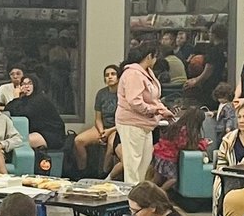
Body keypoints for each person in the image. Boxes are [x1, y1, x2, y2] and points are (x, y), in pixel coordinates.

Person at [116, 43, 173, 184]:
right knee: (133, 164)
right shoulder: (133, 73)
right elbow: (134, 101)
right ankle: (130, 200)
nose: (156, 60)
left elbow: (154, 98)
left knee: (144, 161)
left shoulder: (147, 72)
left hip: (146, 124)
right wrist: (155, 110)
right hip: (131, 123)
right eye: (155, 57)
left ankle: (138, 195)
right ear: (149, 56)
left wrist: (163, 110)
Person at [73, 64, 121, 174]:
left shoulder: (123, 94)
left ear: (118, 77)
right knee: (78, 140)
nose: (109, 77)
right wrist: (101, 132)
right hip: (101, 127)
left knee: (110, 146)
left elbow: (123, 121)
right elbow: (98, 118)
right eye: (107, 75)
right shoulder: (101, 93)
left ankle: (103, 174)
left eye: (113, 74)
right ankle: (82, 171)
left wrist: (109, 131)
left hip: (116, 128)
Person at [150, 107, 208, 192]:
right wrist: (202, 144)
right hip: (168, 157)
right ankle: (160, 193)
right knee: (173, 179)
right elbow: (182, 144)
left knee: (157, 178)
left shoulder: (176, 126)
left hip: (159, 153)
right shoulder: (184, 130)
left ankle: (147, 192)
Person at [5, 73, 67, 153]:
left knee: (19, 142)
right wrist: (18, 98)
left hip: (51, 134)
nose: (26, 86)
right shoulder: (26, 99)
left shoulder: (40, 99)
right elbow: (8, 109)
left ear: (35, 85)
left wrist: (17, 97)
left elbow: (22, 113)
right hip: (37, 131)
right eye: (23, 84)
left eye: (29, 83)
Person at [184, 23, 227, 109]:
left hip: (210, 86)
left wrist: (195, 81)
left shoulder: (213, 51)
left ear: (214, 35)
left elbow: (207, 71)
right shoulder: (225, 48)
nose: (209, 35)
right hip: (222, 82)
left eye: (210, 32)